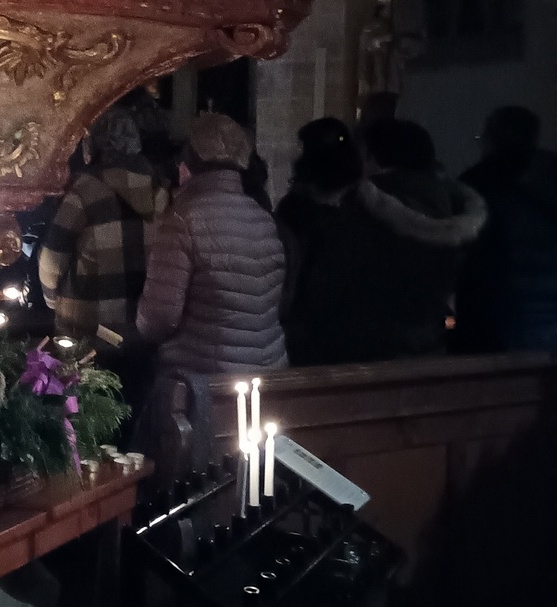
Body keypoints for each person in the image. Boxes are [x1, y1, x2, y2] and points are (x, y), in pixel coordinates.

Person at [134, 114, 286, 479]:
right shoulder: (262, 218)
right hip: (265, 380)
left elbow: (158, 320)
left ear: (187, 163)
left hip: (201, 388)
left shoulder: (183, 219)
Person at [283, 119, 485, 366]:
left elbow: (325, 290)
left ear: (372, 156)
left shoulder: (362, 213)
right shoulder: (455, 211)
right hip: (428, 349)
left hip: (360, 356)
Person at [39, 105, 167, 347]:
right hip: (140, 329)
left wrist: (53, 300)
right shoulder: (160, 191)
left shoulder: (84, 192)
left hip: (85, 328)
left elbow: (53, 258)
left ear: (92, 145)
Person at [456, 107, 557, 353]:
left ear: (491, 137)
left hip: (495, 319)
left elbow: (468, 259)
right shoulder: (549, 175)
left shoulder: (477, 183)